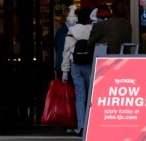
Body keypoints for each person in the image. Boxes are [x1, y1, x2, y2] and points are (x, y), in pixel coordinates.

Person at [61, 7, 93, 136]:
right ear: (88, 18)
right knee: (92, 96)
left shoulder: (71, 30)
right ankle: (92, 124)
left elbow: (66, 52)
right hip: (90, 65)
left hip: (76, 65)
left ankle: (81, 127)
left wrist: (64, 71)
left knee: (80, 97)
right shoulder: (93, 29)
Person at [54, 5, 78, 80]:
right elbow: (62, 50)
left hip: (67, 66)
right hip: (65, 67)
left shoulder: (64, 30)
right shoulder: (62, 32)